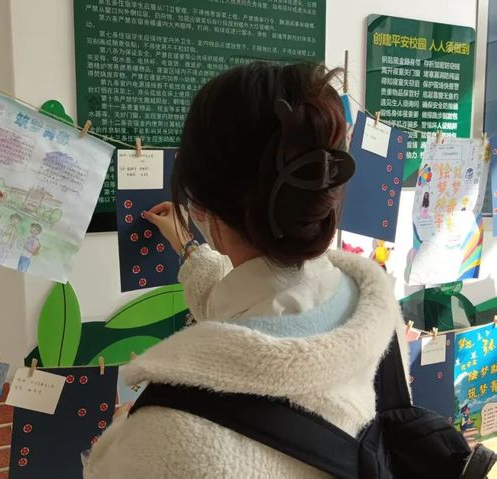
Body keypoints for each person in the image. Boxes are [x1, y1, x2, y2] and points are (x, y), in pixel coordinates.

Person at [85, 62, 407, 478]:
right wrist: (189, 249)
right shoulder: (376, 310)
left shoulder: (167, 435)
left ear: (201, 205)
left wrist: (125, 431)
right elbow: (250, 310)